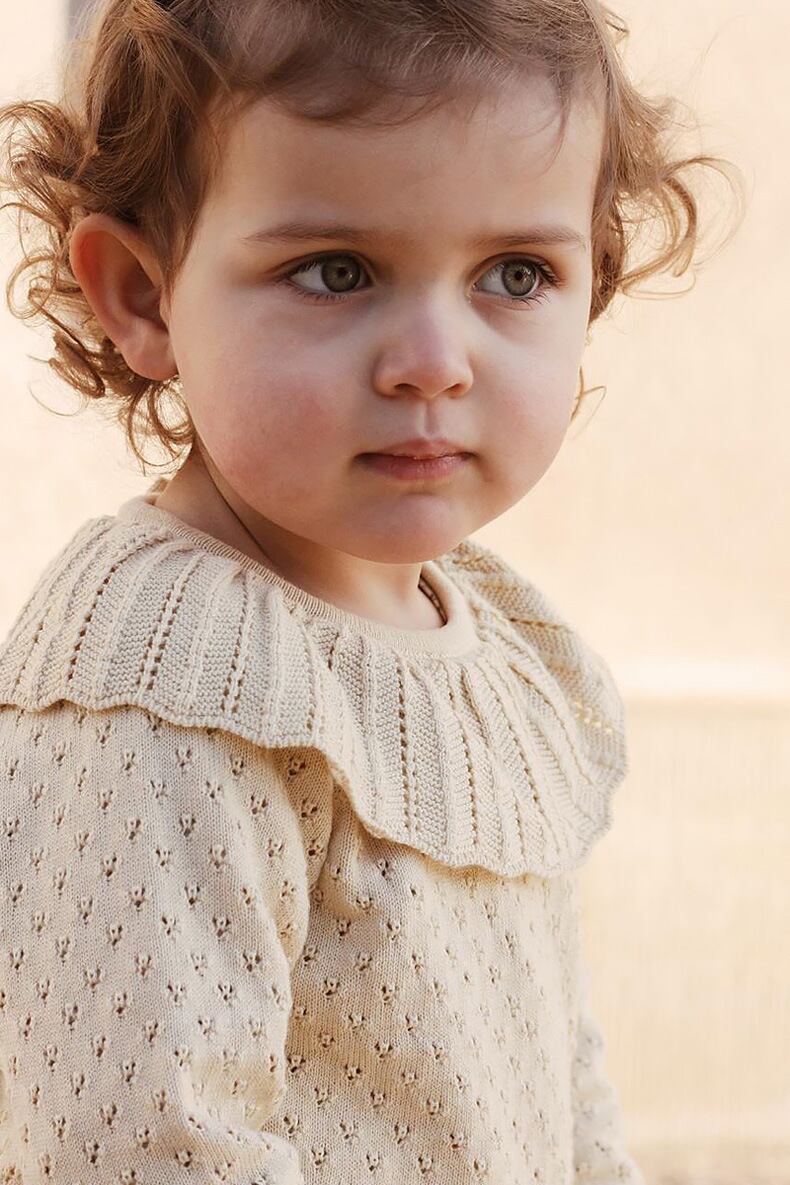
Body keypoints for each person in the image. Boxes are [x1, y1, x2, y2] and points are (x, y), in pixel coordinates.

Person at [0, 1, 743, 1182]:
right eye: (335, 272)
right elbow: (146, 1144)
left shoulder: (503, 650)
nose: (433, 364)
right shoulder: (157, 684)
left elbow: (563, 1088)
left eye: (515, 274)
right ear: (142, 295)